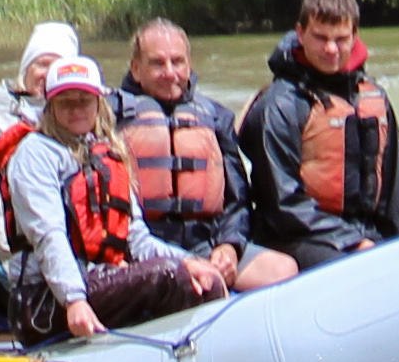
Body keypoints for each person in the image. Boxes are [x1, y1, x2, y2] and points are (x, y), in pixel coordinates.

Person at [0, 54, 222, 337]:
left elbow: (136, 238)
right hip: (45, 300)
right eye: (65, 101)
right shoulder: (35, 154)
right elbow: (48, 235)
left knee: (203, 278)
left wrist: (188, 260)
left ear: (98, 104)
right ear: (50, 106)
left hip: (99, 281)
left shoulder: (106, 151)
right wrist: (74, 300)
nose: (76, 109)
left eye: (84, 100)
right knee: (169, 277)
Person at [236, 0, 399, 265]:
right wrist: (354, 242)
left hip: (362, 233)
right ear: (300, 34)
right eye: (320, 38)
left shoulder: (374, 98)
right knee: (351, 264)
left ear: (355, 36)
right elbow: (281, 203)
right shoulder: (279, 105)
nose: (331, 49)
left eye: (341, 39)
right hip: (294, 236)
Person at [113, 19, 294, 291]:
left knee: (282, 270)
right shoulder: (109, 118)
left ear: (189, 65)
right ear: (136, 69)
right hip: (143, 251)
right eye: (157, 63)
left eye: (177, 62)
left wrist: (229, 246)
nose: (170, 72)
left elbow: (237, 200)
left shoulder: (215, 117)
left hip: (204, 244)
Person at [0, 19, 80, 281]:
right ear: (26, 71)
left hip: (75, 262)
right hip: (22, 275)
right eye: (42, 64)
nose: (49, 74)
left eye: (59, 65)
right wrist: (16, 276)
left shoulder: (85, 128)